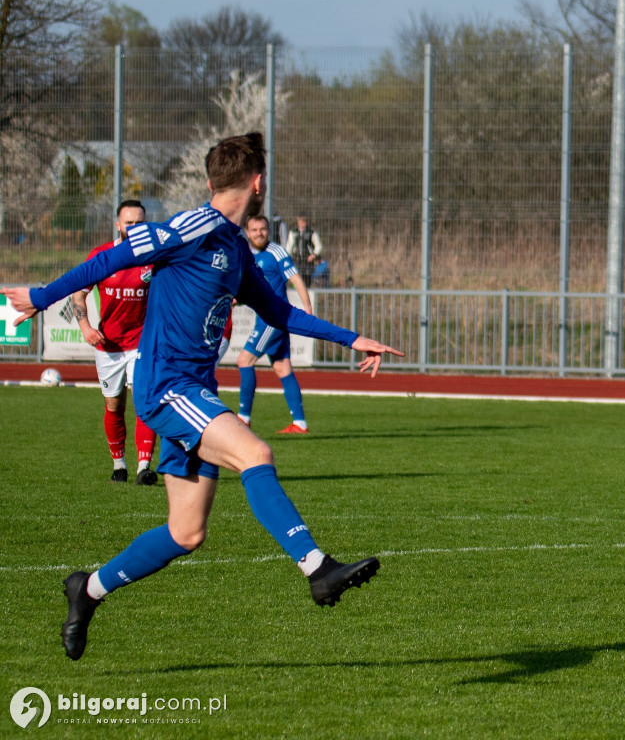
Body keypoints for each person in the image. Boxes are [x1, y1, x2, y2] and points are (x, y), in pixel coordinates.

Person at [2, 132, 404, 661]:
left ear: (218, 178)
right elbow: (110, 260)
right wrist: (40, 296)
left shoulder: (236, 247)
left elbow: (279, 313)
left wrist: (351, 338)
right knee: (256, 453)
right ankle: (317, 568)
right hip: (168, 386)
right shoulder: (191, 227)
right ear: (258, 183)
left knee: (186, 532)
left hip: (194, 390)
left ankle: (88, 590)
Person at [71, 200, 158, 486]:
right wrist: (85, 327)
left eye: (139, 223)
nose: (134, 227)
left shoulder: (154, 257)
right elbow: (78, 295)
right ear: (118, 225)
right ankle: (119, 465)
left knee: (143, 403)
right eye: (128, 223)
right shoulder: (101, 256)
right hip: (109, 345)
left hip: (142, 343)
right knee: (113, 405)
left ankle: (143, 467)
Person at [237, 213, 313, 433]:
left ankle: (243, 417)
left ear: (268, 230)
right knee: (282, 368)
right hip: (266, 318)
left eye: (263, 229)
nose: (259, 233)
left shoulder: (276, 252)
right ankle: (300, 423)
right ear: (247, 232)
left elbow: (296, 278)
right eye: (255, 230)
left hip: (273, 318)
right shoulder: (246, 254)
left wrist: (307, 308)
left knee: (244, 360)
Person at [285, 214, 322, 288]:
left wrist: (313, 255)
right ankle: (296, 294)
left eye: (303, 222)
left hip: (307, 260)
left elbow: (319, 246)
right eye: (299, 222)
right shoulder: (293, 232)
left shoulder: (312, 233)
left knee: (307, 280)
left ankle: (306, 294)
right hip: (296, 259)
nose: (301, 224)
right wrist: (288, 257)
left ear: (307, 222)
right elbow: (289, 246)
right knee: (296, 278)